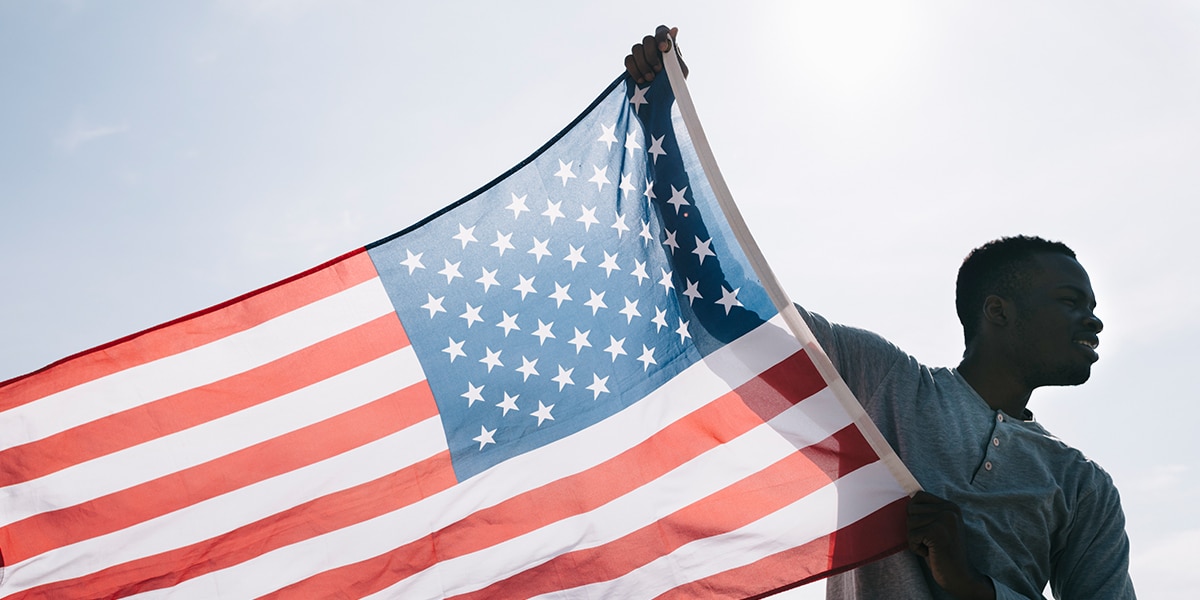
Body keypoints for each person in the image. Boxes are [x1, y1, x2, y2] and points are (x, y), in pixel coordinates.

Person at [625, 27, 1136, 600]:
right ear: (998, 312)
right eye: (1070, 303)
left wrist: (971, 586)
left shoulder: (1082, 486)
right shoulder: (882, 384)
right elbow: (721, 310)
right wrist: (660, 125)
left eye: (1091, 307)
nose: (1093, 321)